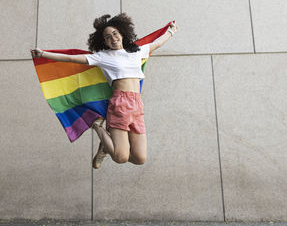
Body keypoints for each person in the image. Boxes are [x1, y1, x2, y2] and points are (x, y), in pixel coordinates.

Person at [30, 13, 177, 169]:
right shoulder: (103, 56)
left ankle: (106, 146)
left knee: (140, 158)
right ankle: (97, 126)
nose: (113, 38)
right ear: (104, 42)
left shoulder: (137, 51)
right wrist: (44, 54)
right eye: (108, 37)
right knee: (121, 157)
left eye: (115, 33)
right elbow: (72, 59)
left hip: (137, 105)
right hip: (120, 104)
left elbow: (157, 43)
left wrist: (171, 31)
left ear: (122, 33)